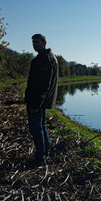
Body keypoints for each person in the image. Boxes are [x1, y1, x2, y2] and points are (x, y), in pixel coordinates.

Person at [25, 34, 59, 166]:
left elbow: (42, 85)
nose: (35, 44)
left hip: (37, 101)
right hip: (41, 101)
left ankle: (40, 158)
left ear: (44, 43)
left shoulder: (45, 59)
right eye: (33, 42)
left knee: (36, 128)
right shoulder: (48, 57)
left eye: (37, 42)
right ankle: (45, 154)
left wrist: (35, 103)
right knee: (42, 127)